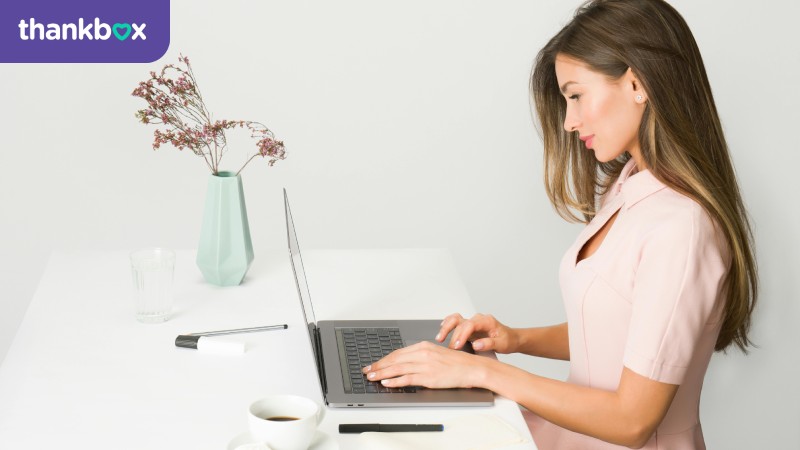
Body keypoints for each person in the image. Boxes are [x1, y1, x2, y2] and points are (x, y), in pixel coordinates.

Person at [362, 0, 758, 448]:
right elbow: (619, 330)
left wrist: (482, 371)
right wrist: (514, 339)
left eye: (576, 95)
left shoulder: (682, 228)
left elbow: (632, 421)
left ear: (637, 83)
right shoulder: (629, 188)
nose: (569, 121)